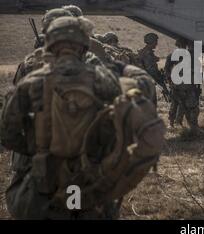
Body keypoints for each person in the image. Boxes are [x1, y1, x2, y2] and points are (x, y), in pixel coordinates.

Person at [1, 16, 123, 219]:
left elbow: (7, 133)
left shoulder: (31, 82)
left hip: (45, 179)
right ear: (84, 46)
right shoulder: (103, 79)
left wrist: (34, 148)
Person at [164, 39, 201, 135]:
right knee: (178, 105)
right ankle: (176, 123)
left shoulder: (191, 57)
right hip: (180, 86)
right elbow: (167, 70)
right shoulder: (174, 56)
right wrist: (170, 81)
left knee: (187, 106)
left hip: (187, 86)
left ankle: (191, 125)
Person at [137, 33, 170, 99]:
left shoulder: (146, 51)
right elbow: (147, 68)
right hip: (151, 77)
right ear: (151, 41)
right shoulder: (146, 53)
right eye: (155, 41)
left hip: (152, 76)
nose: (156, 43)